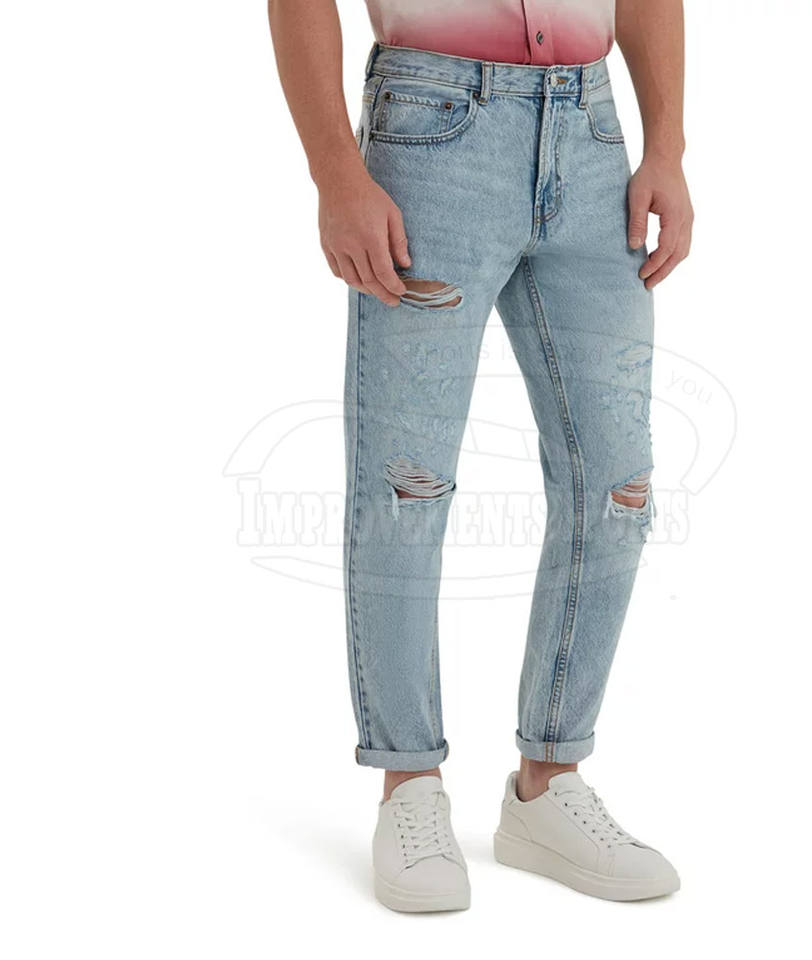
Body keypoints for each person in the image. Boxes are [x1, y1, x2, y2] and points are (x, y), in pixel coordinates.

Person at [268, 0, 693, 911]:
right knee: (407, 486)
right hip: (434, 131)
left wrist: (667, 145)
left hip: (591, 135)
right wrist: (335, 171)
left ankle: (548, 783)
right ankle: (409, 785)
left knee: (617, 485)